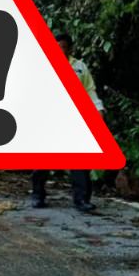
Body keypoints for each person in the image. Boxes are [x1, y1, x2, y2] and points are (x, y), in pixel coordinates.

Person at [31, 33, 104, 212]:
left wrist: (98, 110)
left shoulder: (80, 68)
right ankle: (37, 195)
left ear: (70, 48)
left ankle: (82, 200)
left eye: (63, 47)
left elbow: (89, 91)